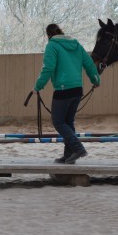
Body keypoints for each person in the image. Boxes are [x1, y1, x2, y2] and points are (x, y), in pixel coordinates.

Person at [33, 23, 100, 164]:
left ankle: (78, 149)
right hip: (77, 89)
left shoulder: (52, 45)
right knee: (68, 122)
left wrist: (38, 86)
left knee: (58, 121)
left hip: (63, 89)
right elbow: (88, 63)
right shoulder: (75, 45)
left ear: (48, 35)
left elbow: (48, 67)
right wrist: (95, 79)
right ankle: (69, 155)